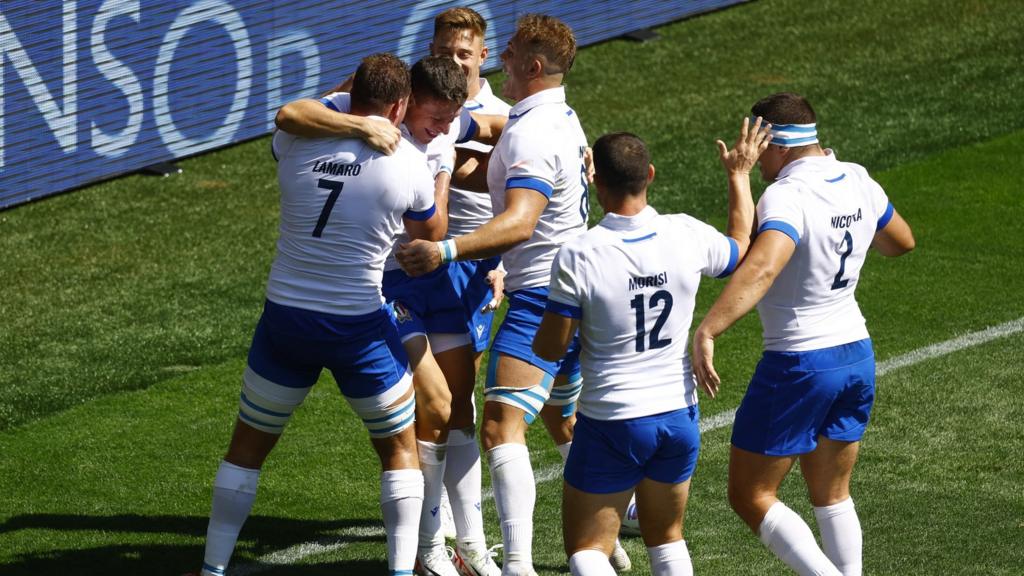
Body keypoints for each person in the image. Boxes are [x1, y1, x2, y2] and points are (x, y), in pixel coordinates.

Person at [190, 53, 445, 576]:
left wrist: (347, 104)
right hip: (359, 328)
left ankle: (213, 568)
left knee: (246, 446)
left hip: (285, 320)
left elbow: (295, 115)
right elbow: (430, 234)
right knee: (399, 448)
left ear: (351, 95)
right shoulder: (408, 165)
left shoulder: (295, 142)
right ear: (400, 105)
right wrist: (441, 169)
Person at [276, 54, 505, 576]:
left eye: (452, 119)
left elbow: (503, 130)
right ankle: (427, 550)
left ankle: (468, 544)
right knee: (437, 402)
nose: (445, 127)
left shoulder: (445, 125)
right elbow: (292, 113)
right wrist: (439, 167)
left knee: (458, 409)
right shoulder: (370, 124)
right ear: (403, 103)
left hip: (434, 279)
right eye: (437, 117)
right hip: (381, 285)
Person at [692, 93, 915, 576]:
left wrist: (709, 327)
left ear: (772, 142)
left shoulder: (787, 196)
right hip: (856, 353)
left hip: (799, 361)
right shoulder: (857, 177)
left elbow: (762, 267)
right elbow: (901, 241)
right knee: (832, 494)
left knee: (750, 494)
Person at [397, 14, 588, 576]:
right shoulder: (561, 119)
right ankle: (604, 531)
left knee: (498, 426)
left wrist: (449, 251)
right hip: (575, 290)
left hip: (534, 292)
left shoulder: (528, 127)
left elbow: (522, 219)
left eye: (505, 52)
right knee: (561, 417)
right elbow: (502, 174)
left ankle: (519, 565)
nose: (499, 59)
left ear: (531, 65)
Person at [532, 126, 769, 575]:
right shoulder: (685, 233)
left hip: (611, 420)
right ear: (651, 175)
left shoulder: (578, 255)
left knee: (587, 550)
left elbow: (550, 346)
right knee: (666, 539)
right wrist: (739, 176)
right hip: (678, 417)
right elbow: (739, 247)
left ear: (594, 180)